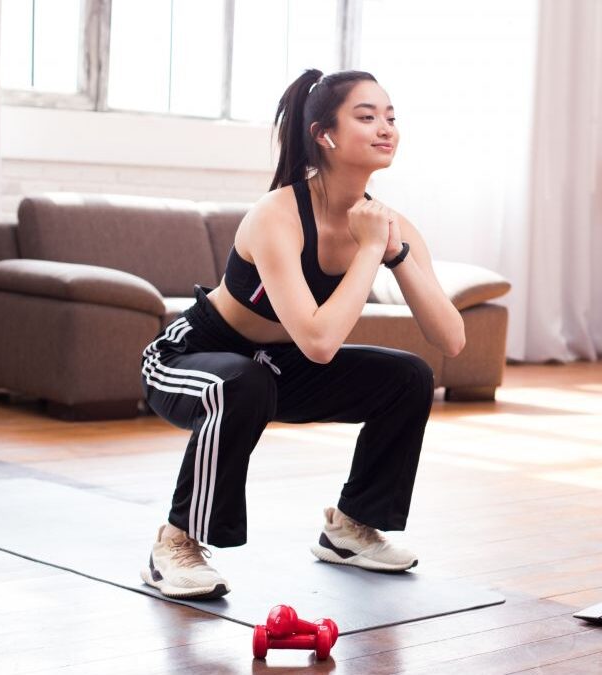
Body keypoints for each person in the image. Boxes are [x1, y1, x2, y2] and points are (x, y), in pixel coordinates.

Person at [138, 69, 465, 599]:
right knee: (238, 382)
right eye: (366, 117)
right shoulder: (278, 215)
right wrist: (366, 250)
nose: (385, 128)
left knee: (409, 377)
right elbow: (318, 342)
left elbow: (450, 338)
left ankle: (351, 527)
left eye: (390, 116)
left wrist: (396, 254)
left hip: (274, 369)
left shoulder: (389, 223)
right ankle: (177, 542)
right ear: (324, 135)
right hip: (192, 360)